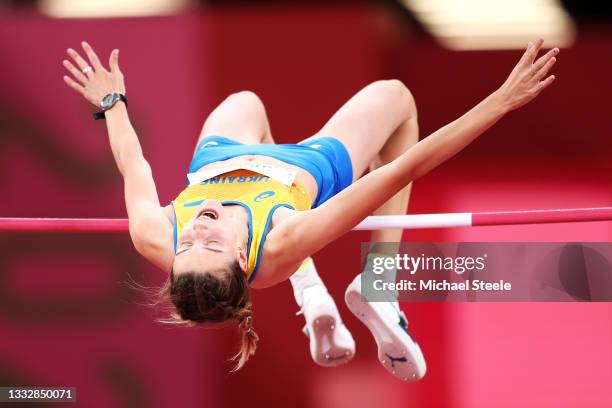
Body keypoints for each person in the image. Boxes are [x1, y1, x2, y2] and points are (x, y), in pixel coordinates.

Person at [62, 38, 558, 380]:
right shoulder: (281, 242)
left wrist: (112, 100)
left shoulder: (155, 235)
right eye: (210, 242)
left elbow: (132, 161)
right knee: (397, 99)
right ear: (239, 256)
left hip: (220, 158)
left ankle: (313, 294)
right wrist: (499, 102)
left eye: (186, 243)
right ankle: (379, 286)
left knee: (245, 100)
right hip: (308, 169)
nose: (197, 226)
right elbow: (401, 169)